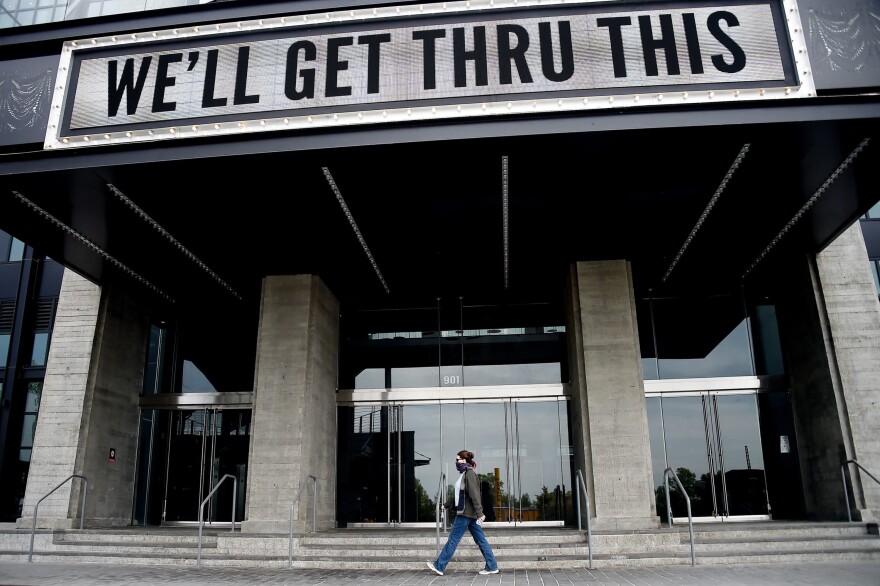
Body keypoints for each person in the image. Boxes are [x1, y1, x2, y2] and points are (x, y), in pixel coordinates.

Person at [427, 450, 499, 576]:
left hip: (465, 514)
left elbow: (474, 495)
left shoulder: (469, 474)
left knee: (453, 540)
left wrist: (480, 513)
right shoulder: (464, 474)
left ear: (464, 461)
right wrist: (446, 505)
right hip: (469, 515)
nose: (456, 462)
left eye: (458, 460)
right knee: (481, 540)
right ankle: (492, 566)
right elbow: (458, 496)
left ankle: (439, 566)